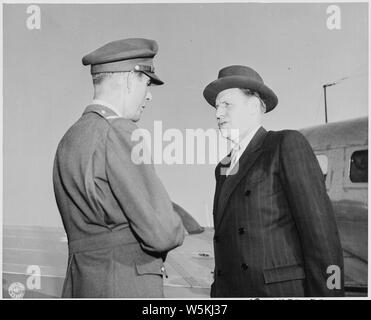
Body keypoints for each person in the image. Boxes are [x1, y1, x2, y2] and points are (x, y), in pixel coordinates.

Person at [53, 38, 185, 298]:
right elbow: (162, 233)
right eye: (146, 83)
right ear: (129, 80)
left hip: (84, 283)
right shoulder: (119, 131)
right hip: (124, 284)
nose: (148, 95)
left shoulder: (69, 139)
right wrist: (177, 226)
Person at [203, 65, 344, 297]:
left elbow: (323, 237)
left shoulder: (284, 144)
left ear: (254, 106)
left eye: (227, 104)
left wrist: (331, 294)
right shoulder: (223, 167)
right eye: (217, 107)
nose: (218, 114)